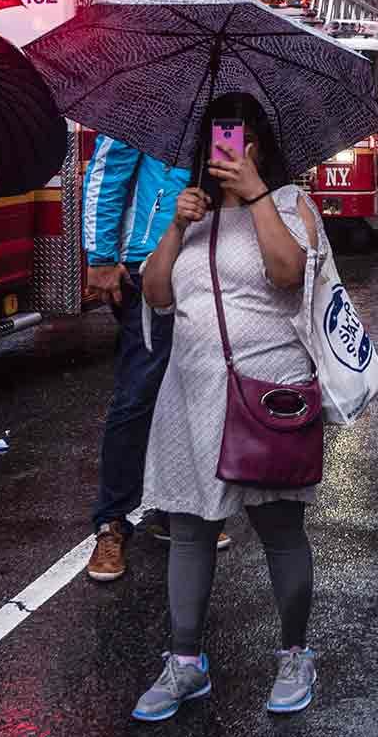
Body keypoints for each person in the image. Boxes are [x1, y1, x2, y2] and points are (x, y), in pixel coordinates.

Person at [132, 94, 325, 721]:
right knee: (189, 527)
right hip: (190, 393)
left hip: (267, 392)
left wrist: (258, 193)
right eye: (217, 139)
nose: (227, 150)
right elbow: (157, 293)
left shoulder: (294, 204)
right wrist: (175, 226)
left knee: (278, 527)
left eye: (238, 138)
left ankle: (296, 652)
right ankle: (186, 663)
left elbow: (288, 273)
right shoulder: (191, 211)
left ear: (259, 146)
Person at [78, 132, 225, 583]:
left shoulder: (232, 106)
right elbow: (108, 172)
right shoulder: (153, 100)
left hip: (211, 263)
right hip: (149, 261)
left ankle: (172, 509)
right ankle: (112, 522)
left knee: (198, 394)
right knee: (138, 395)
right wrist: (101, 255)